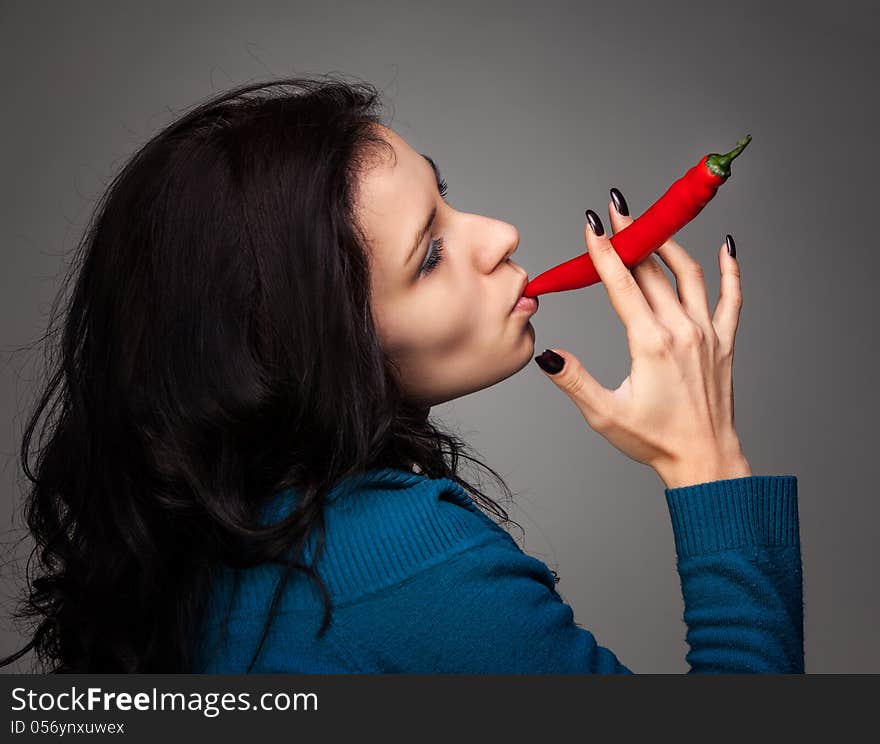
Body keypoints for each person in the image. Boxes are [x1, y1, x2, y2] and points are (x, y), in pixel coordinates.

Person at [0, 75, 803, 674]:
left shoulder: (205, 543)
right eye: (431, 255)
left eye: (446, 202)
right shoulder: (399, 559)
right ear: (313, 348)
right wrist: (705, 465)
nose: (501, 235)